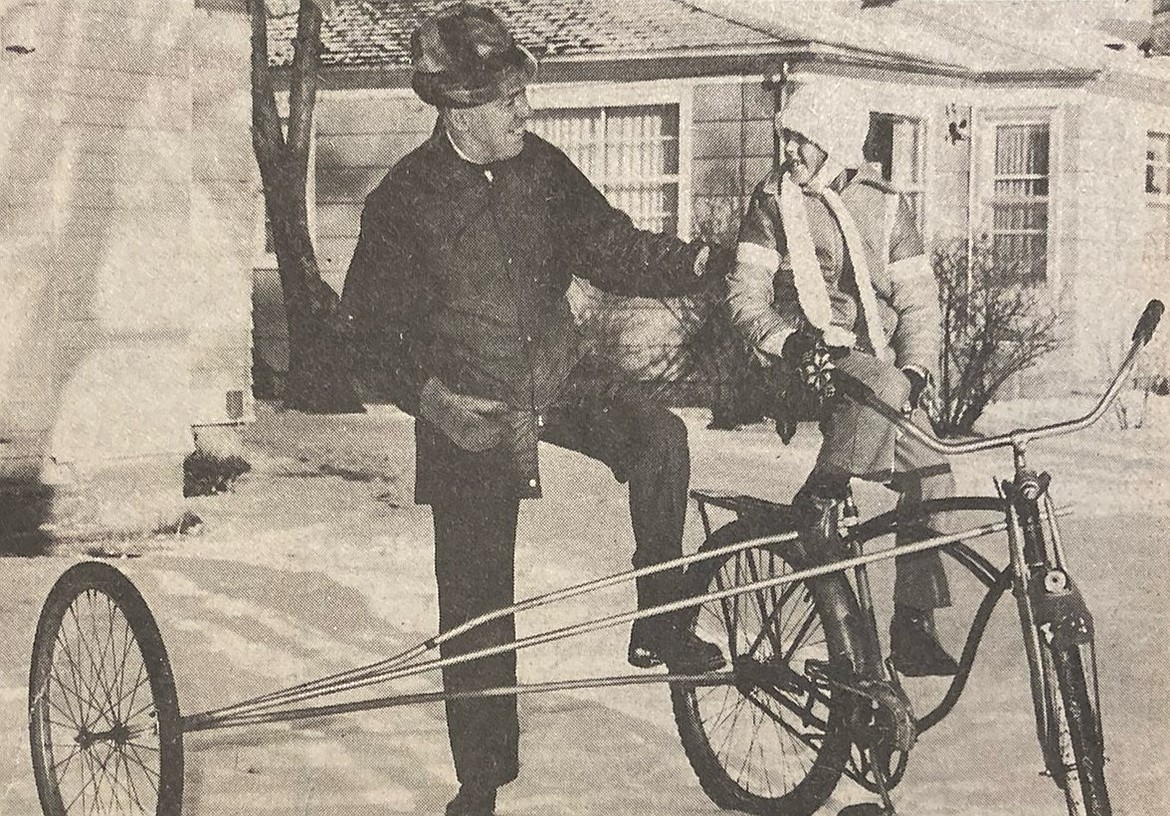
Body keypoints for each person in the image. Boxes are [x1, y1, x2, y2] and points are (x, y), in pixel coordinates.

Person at [340, 5, 725, 815]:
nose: (526, 110)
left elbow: (614, 247)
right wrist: (431, 401)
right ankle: (478, 785)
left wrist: (700, 261)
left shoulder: (542, 170)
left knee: (659, 437)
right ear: (457, 107)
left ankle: (661, 618)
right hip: (468, 407)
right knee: (478, 604)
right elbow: (366, 333)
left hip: (558, 376)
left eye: (523, 92)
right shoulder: (403, 203)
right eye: (508, 98)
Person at [726, 81, 960, 680]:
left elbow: (918, 305)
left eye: (803, 139)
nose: (790, 151)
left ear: (835, 142)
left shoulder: (885, 206)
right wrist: (787, 339)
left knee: (934, 474)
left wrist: (917, 367)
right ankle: (819, 497)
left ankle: (912, 623)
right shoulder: (772, 203)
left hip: (876, 371)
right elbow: (744, 297)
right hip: (803, 364)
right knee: (880, 387)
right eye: (788, 137)